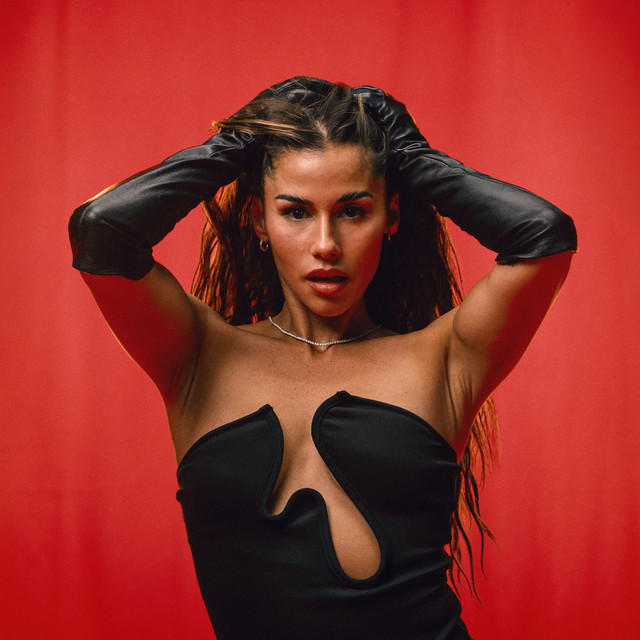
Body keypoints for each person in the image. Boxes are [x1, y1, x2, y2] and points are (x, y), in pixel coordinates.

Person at [68, 77, 576, 639]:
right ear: (258, 220)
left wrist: (413, 156)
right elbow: (101, 232)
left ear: (391, 217)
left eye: (353, 211)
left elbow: (543, 234)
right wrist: (237, 143)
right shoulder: (197, 356)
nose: (326, 244)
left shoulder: (446, 359)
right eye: (296, 212)